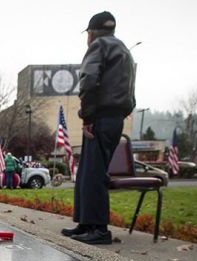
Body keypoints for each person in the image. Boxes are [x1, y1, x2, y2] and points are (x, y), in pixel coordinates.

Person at [62, 11, 135, 245]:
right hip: (114, 117)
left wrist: (87, 116)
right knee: (87, 171)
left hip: (100, 117)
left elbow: (89, 81)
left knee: (93, 173)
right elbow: (129, 92)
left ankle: (99, 229)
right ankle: (85, 223)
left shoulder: (98, 46)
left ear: (91, 32)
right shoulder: (124, 50)